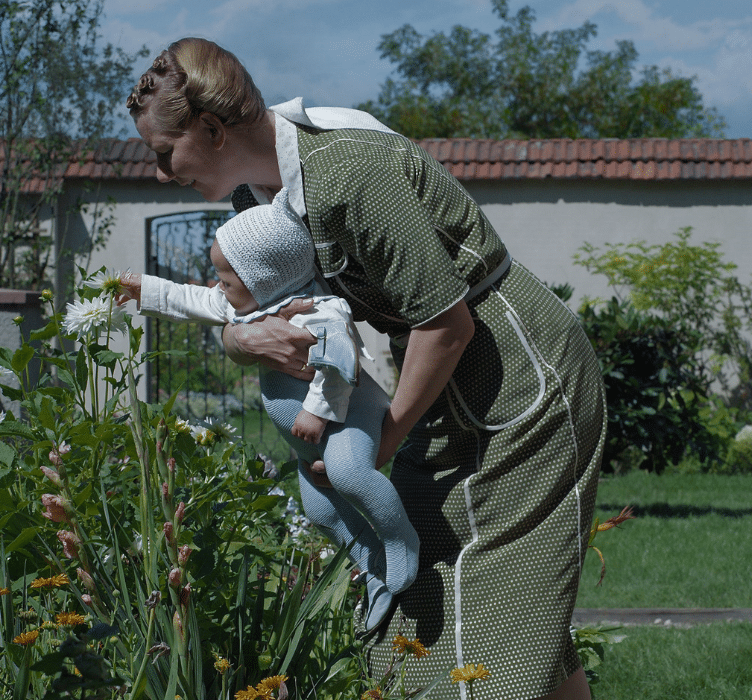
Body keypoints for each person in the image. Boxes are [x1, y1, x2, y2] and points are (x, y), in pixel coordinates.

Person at [125, 38, 607, 700]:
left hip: (517, 376)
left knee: (478, 606)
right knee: (435, 588)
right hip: (443, 384)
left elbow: (447, 323)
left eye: (163, 151)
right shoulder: (260, 204)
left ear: (210, 129)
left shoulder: (346, 172)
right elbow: (264, 316)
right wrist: (244, 345)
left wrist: (382, 442)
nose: (159, 171)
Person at [120, 190, 419, 634]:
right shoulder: (251, 306)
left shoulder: (320, 311)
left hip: (347, 417)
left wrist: (317, 412)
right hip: (307, 440)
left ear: (262, 277)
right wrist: (144, 289)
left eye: (226, 277)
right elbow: (193, 299)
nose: (217, 284)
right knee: (320, 511)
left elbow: (341, 363)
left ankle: (400, 540)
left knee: (350, 474)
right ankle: (371, 563)